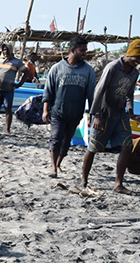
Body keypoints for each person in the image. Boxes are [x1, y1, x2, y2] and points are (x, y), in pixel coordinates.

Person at [81, 39, 140, 194]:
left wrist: (131, 112)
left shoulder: (135, 73)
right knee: (93, 148)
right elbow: (99, 90)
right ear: (130, 54)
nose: (139, 61)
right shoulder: (113, 67)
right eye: (137, 57)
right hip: (104, 113)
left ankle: (118, 183)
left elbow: (129, 94)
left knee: (127, 147)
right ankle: (84, 179)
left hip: (120, 114)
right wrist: (96, 115)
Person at [42, 36, 96, 178]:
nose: (84, 53)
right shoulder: (57, 68)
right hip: (58, 111)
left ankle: (59, 163)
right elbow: (48, 91)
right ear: (72, 50)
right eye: (82, 50)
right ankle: (53, 167)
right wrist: (45, 110)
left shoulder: (88, 71)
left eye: (85, 50)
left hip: (75, 113)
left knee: (67, 141)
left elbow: (92, 94)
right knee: (56, 138)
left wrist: (93, 114)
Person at [0, 43, 31, 133]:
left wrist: (19, 84)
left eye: (7, 49)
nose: (5, 51)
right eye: (4, 49)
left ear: (11, 50)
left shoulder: (16, 62)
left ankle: (7, 129)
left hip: (8, 89)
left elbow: (26, 72)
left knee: (8, 108)